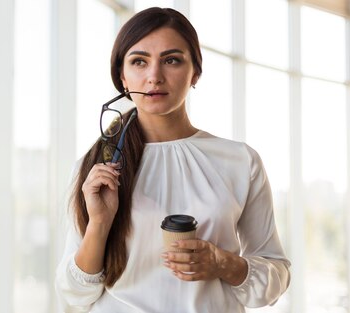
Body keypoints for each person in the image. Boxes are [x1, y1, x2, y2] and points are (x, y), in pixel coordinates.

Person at [55, 7, 290, 313]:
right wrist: (100, 223)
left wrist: (221, 263)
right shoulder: (98, 166)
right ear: (122, 77)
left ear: (195, 73)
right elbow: (74, 295)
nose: (154, 76)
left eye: (171, 60)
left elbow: (274, 277)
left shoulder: (240, 161)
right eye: (139, 61)